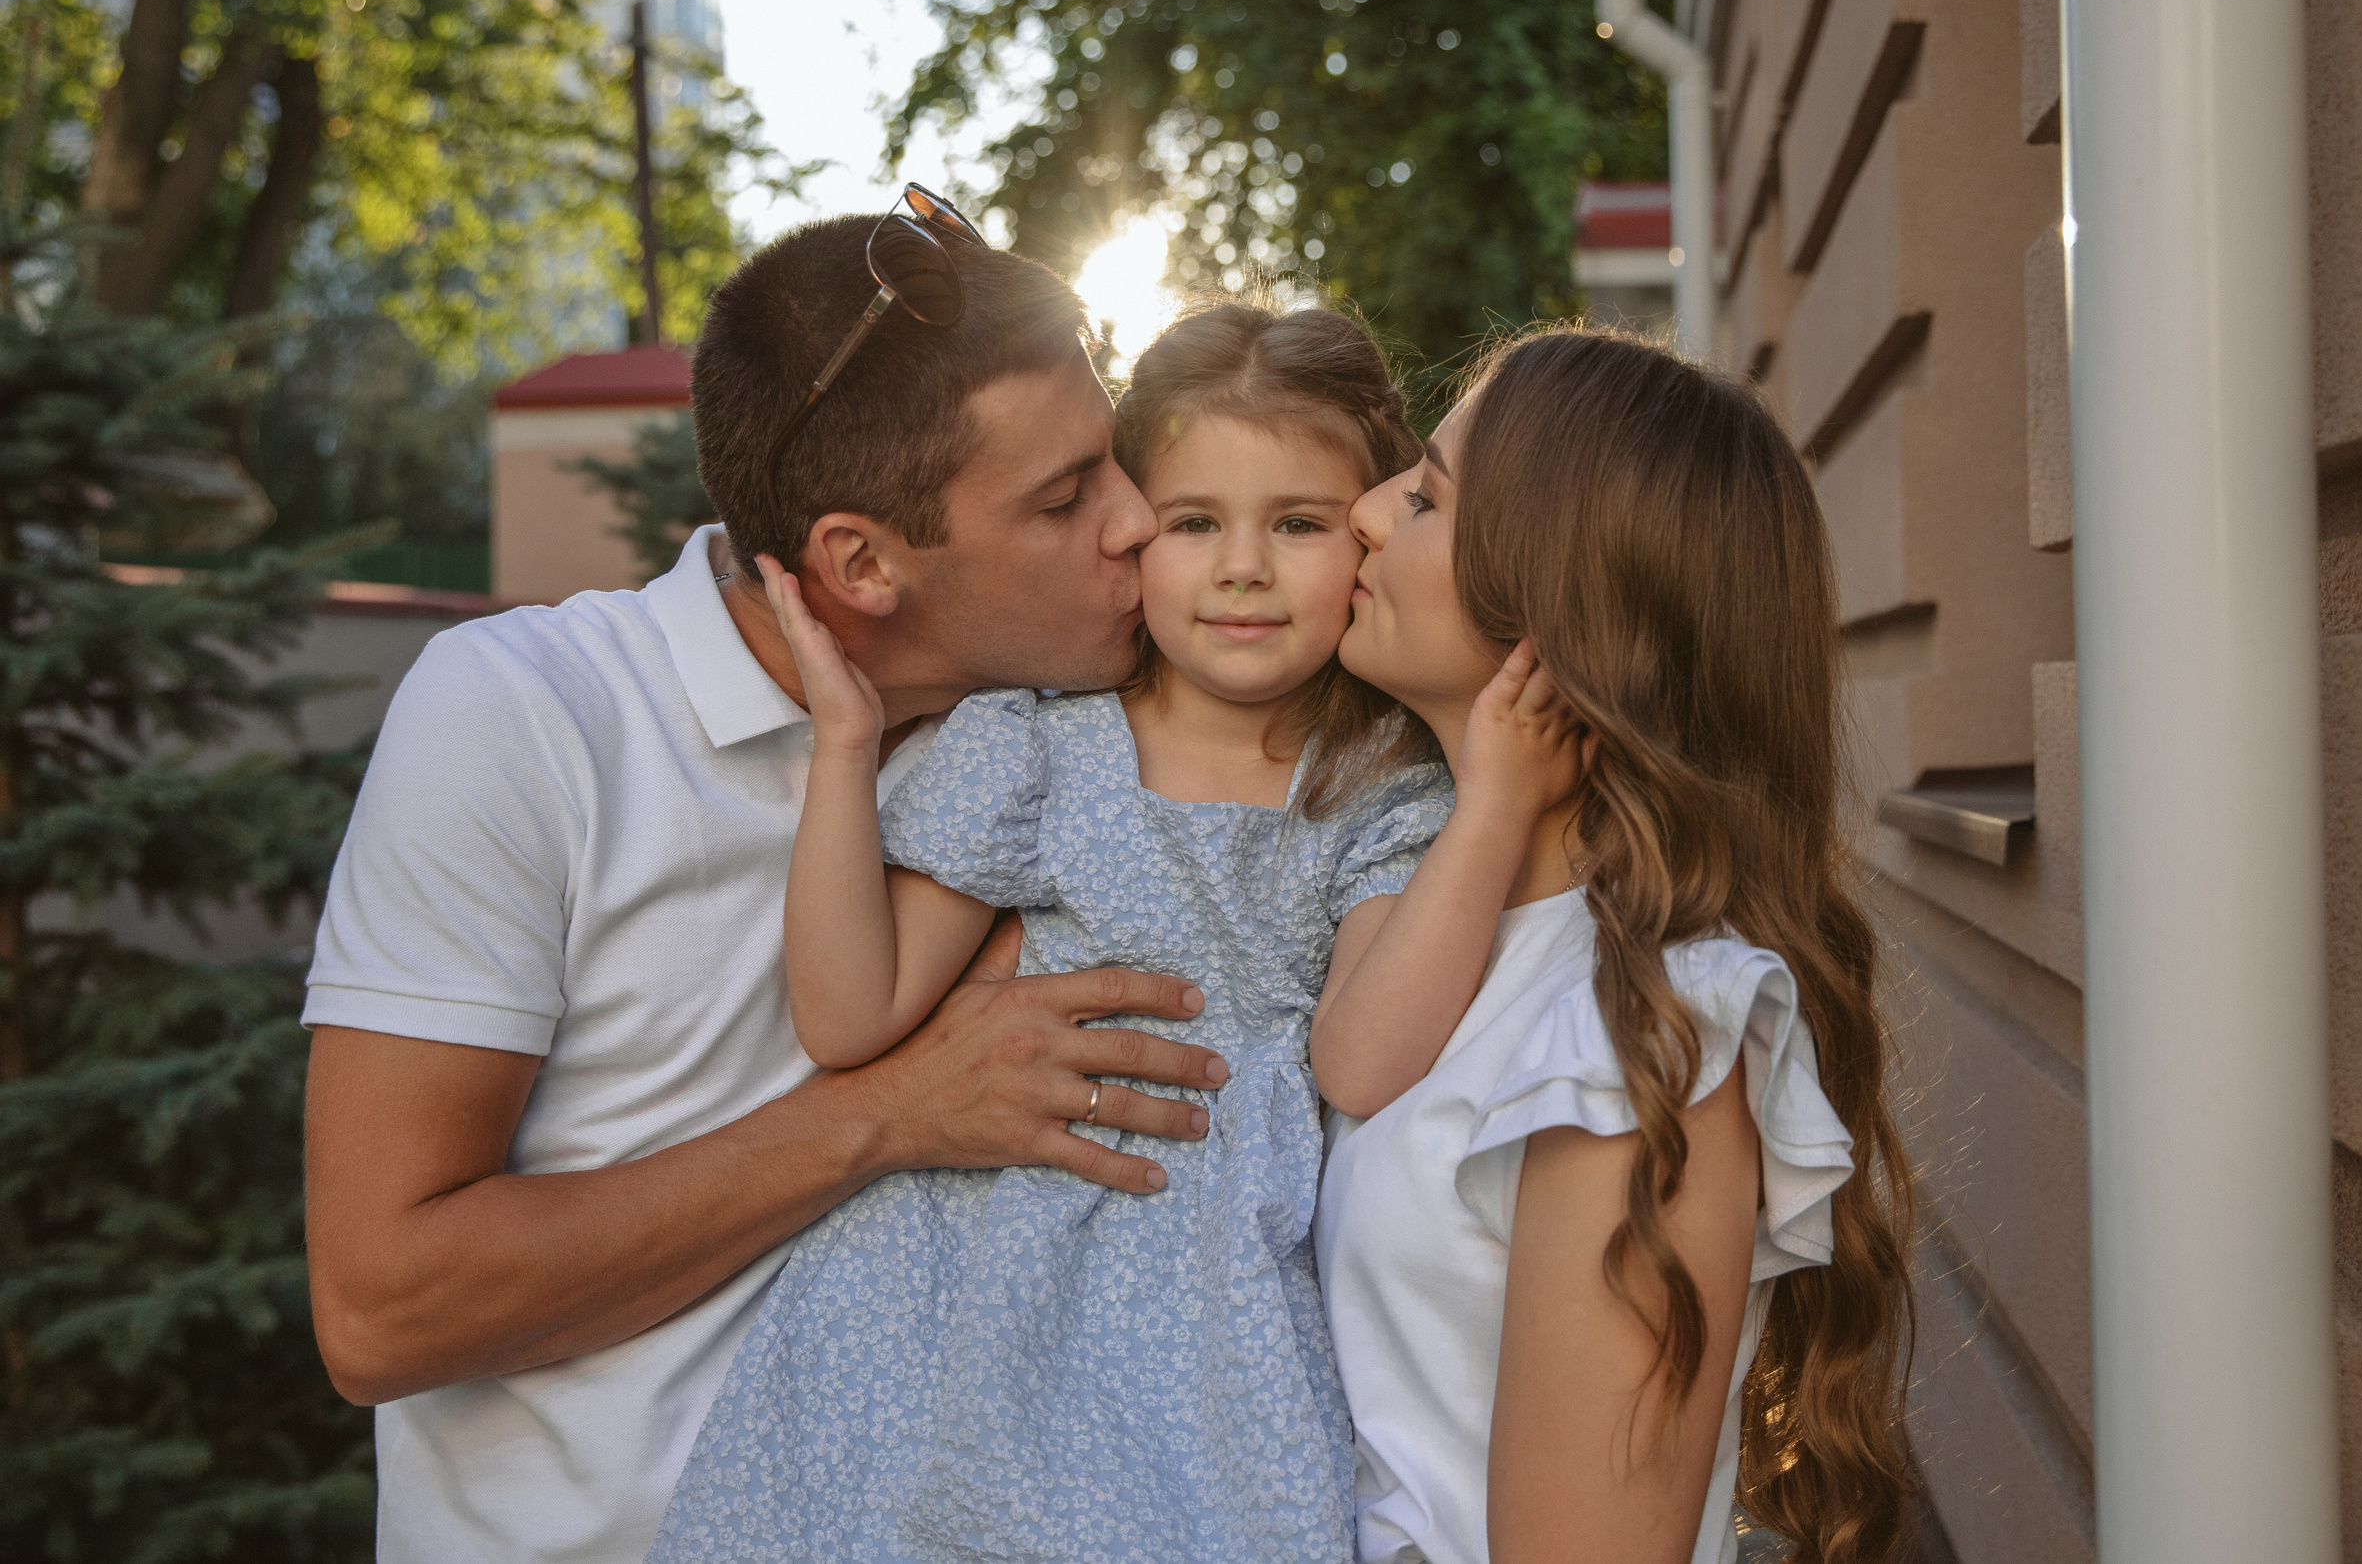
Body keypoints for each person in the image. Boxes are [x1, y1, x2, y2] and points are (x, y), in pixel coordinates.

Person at [300, 197, 1235, 1562]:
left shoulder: (1070, 737)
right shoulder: (528, 717)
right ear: (862, 562)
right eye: (1065, 494)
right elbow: (383, 1309)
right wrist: (884, 1113)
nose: (1141, 521)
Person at [647, 303, 1580, 1561]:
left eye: (1296, 524)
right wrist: (845, 748)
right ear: (1134, 531)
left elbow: (1359, 1061)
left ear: (1364, 540)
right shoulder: (1037, 739)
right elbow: (847, 1015)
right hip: (948, 1307)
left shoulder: (1379, 792)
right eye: (1193, 523)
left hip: (1205, 1341)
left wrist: (1492, 804)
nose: (1240, 567)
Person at [1314, 328, 1922, 1564]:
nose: (1366, 514)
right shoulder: (1410, 921)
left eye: (1425, 495)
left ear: (1561, 614)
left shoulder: (1643, 1037)